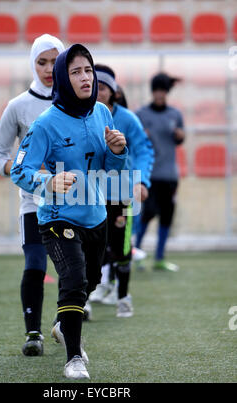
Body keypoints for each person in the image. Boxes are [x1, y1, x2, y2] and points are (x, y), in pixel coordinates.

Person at [10, 44, 127, 379]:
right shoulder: (46, 124)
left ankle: (63, 325)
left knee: (90, 281)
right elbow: (20, 170)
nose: (85, 77)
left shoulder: (103, 113)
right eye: (76, 72)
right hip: (57, 218)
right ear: (63, 78)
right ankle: (74, 358)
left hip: (96, 217)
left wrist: (118, 151)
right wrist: (48, 182)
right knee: (73, 280)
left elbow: (111, 168)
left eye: (88, 70)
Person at [0, 34, 65, 356]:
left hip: (74, 204)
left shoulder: (77, 103)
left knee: (75, 269)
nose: (48, 69)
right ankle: (33, 333)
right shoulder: (18, 106)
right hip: (34, 203)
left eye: (54, 62)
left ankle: (64, 322)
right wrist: (19, 172)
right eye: (41, 62)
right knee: (35, 263)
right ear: (32, 65)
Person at [88, 64, 154, 317]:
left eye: (104, 87)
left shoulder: (127, 119)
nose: (99, 91)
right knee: (90, 249)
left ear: (114, 92)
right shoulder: (83, 117)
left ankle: (123, 297)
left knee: (122, 248)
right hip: (90, 195)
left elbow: (143, 151)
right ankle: (84, 301)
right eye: (96, 86)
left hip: (122, 195)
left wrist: (142, 181)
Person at [134, 72, 185, 272]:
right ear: (152, 91)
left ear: (167, 92)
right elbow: (132, 142)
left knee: (167, 216)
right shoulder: (141, 114)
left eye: (163, 90)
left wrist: (180, 136)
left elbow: (180, 139)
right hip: (149, 175)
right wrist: (140, 136)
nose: (159, 94)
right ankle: (137, 254)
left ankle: (160, 258)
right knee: (147, 215)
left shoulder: (175, 114)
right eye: (156, 90)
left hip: (170, 175)